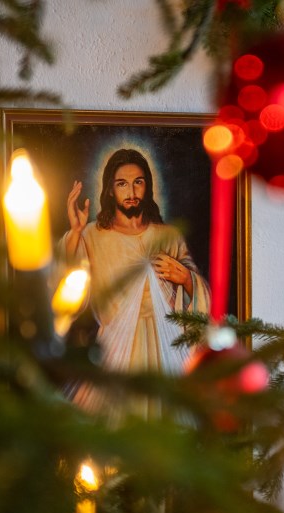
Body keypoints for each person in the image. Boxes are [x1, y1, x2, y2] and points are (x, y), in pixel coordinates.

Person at [61, 148, 211, 420]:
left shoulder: (168, 236)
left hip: (168, 347)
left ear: (148, 186)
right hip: (115, 349)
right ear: (109, 190)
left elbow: (201, 294)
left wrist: (186, 279)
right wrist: (74, 233)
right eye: (122, 184)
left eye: (138, 182)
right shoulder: (93, 235)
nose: (131, 191)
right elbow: (68, 283)